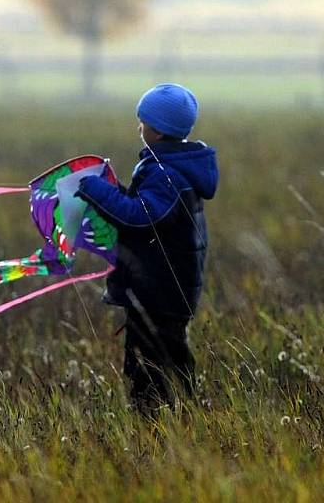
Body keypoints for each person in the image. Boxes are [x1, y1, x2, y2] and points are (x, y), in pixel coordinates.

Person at [75, 83, 218, 415]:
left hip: (161, 292)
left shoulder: (167, 174)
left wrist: (96, 190)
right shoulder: (170, 168)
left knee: (150, 367)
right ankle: (188, 416)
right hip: (165, 289)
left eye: (143, 121)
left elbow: (141, 219)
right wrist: (114, 190)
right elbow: (147, 210)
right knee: (171, 356)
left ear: (157, 130)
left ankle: (153, 425)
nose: (139, 127)